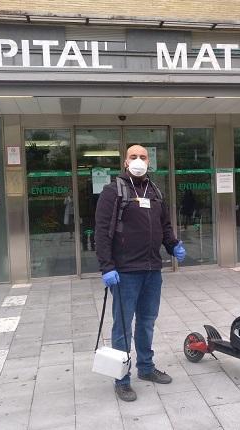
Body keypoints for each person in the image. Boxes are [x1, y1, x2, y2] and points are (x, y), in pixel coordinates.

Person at [94, 144, 186, 402]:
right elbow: (102, 232)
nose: (138, 160)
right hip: (124, 273)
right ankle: (121, 379)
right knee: (122, 328)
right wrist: (107, 266)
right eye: (133, 156)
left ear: (149, 161)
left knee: (146, 322)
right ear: (125, 162)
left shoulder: (155, 191)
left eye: (142, 157)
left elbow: (164, 226)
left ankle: (146, 368)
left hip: (152, 270)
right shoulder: (113, 192)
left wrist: (173, 245)